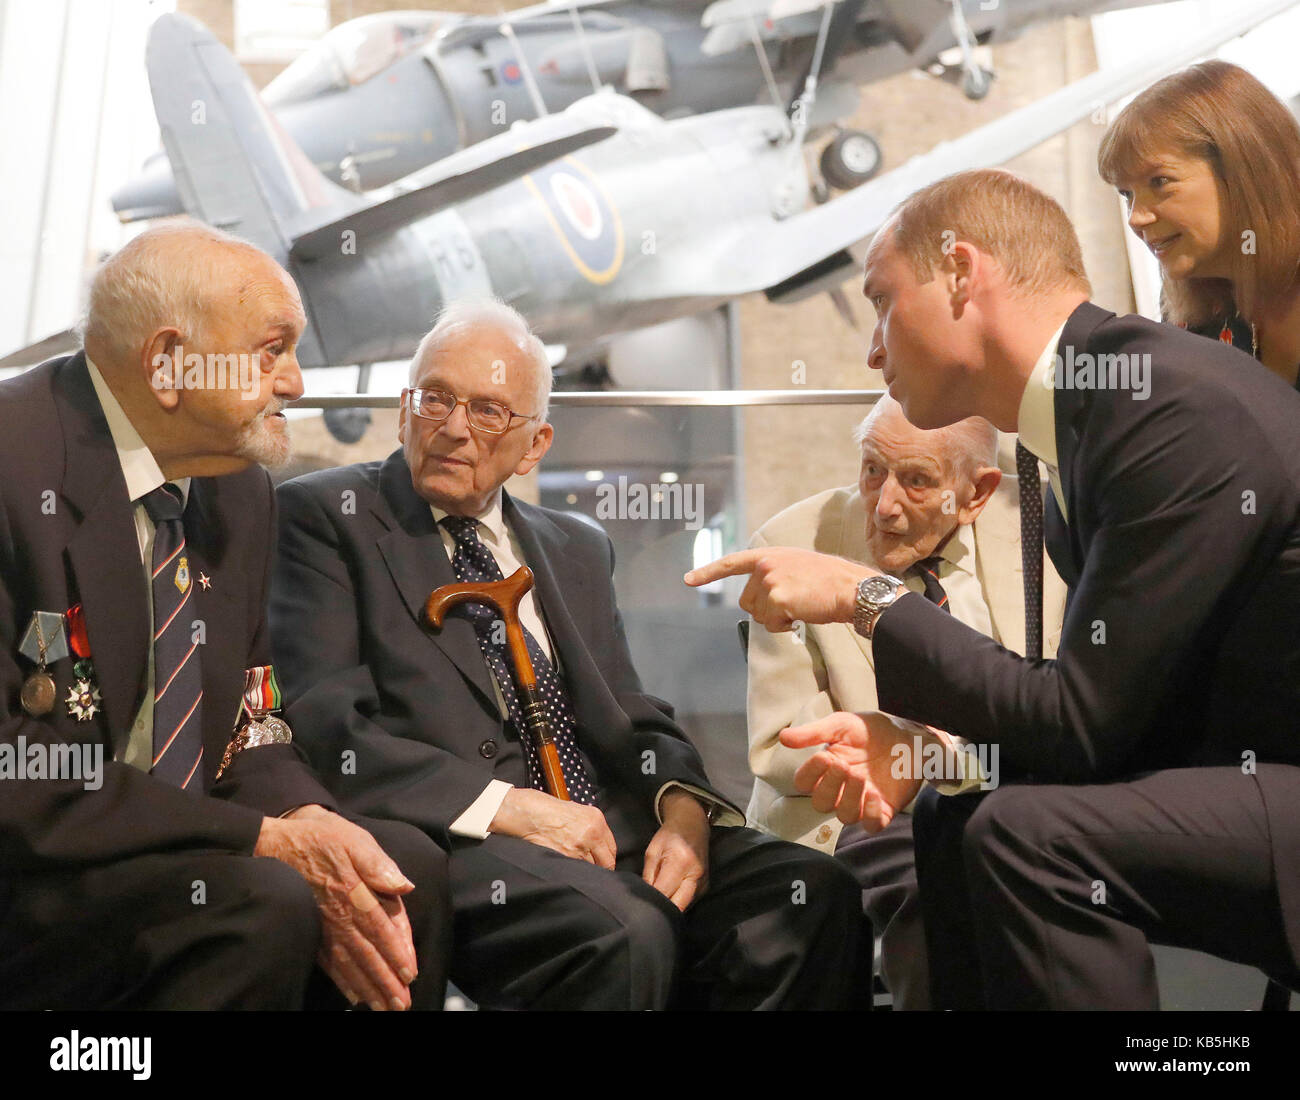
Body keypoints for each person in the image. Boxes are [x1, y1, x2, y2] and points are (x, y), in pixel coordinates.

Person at [687, 168, 1300, 1009]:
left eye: (881, 301)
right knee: (955, 816)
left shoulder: (1157, 404)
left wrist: (866, 598)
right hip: (1244, 776)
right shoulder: (1097, 419)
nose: (872, 348)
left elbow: (1081, 723)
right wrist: (929, 753)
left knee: (1023, 834)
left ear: (961, 275)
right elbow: (1112, 720)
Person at [270, 298, 863, 1010]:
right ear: (403, 409)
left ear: (535, 443)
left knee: (813, 895)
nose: (453, 428)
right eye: (435, 400)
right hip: (461, 839)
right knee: (626, 931)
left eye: (488, 411)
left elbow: (632, 710)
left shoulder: (574, 545)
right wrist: (512, 808)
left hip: (614, 823)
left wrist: (683, 810)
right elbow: (333, 728)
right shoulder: (322, 516)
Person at [0, 222, 450, 1011]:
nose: (298, 383)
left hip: (160, 847)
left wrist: (306, 814)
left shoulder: (238, 490)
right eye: (271, 351)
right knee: (259, 903)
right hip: (29, 871)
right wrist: (264, 840)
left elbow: (254, 716)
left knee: (397, 869)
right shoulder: (13, 460)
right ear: (169, 363)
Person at [746, 396, 1065, 1008]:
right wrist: (874, 757)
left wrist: (938, 753)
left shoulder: (1039, 534)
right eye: (872, 471)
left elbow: (1058, 700)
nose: (884, 503)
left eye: (916, 480)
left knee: (1042, 886)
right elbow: (780, 741)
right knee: (937, 891)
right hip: (861, 819)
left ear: (976, 493)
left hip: (1015, 791)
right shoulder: (793, 542)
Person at [1098, 59, 1300, 390]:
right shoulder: (1187, 311)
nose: (1136, 217)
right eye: (1126, 194)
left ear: (1243, 170)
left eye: (1160, 181)